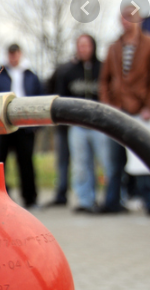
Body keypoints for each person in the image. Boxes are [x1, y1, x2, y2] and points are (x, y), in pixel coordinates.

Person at [98, 6, 150, 213]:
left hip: (140, 110)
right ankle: (112, 201)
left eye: (129, 17)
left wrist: (148, 106)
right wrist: (108, 103)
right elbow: (104, 80)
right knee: (114, 159)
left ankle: (147, 200)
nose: (125, 21)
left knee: (142, 158)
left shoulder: (147, 44)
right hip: (117, 111)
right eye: (122, 18)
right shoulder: (113, 47)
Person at [0, 44, 43, 209]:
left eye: (16, 53)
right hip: (2, 124)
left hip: (24, 125)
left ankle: (30, 199)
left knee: (26, 162)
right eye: (10, 54)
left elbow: (39, 96)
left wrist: (36, 125)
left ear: (20, 54)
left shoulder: (31, 75)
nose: (13, 57)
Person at [58, 34, 105, 214]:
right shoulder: (67, 71)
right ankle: (85, 200)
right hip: (77, 126)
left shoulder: (103, 68)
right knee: (80, 165)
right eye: (80, 45)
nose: (83, 49)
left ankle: (113, 198)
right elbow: (60, 97)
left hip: (101, 125)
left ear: (93, 46)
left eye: (87, 45)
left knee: (106, 162)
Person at [44, 63, 71, 207]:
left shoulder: (68, 71)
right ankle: (61, 193)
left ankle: (84, 198)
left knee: (77, 163)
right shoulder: (61, 71)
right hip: (62, 125)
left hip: (71, 124)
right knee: (62, 162)